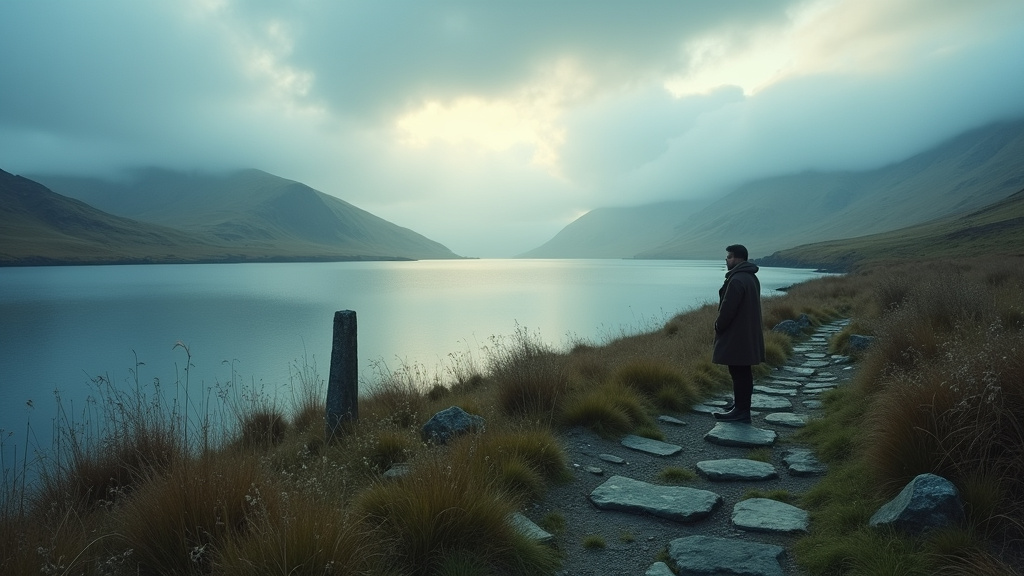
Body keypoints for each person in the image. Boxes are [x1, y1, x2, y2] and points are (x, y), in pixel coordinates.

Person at [711, 244, 765, 423]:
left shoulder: (737, 280)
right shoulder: (750, 277)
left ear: (737, 258)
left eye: (728, 257)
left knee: (738, 371)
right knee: (743, 371)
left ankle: (742, 411)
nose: (726, 260)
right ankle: (740, 406)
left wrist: (719, 325)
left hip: (737, 334)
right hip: (746, 332)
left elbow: (728, 309)